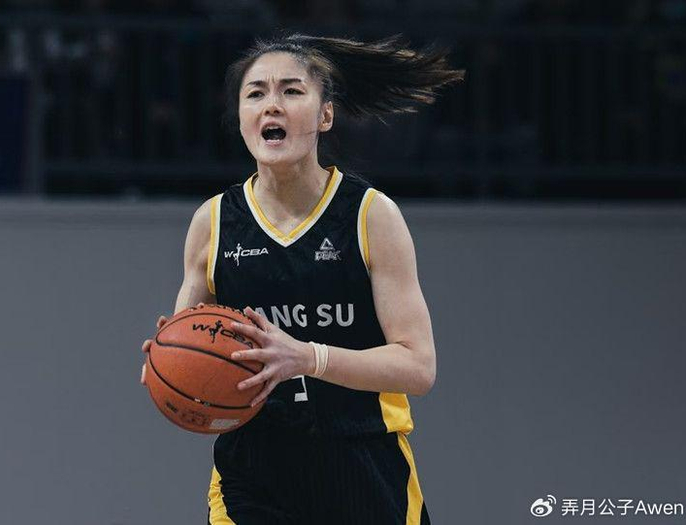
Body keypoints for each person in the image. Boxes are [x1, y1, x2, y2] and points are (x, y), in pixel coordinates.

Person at [141, 32, 464, 524]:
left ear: (325, 115)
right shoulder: (214, 221)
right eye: (256, 94)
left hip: (362, 462)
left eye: (291, 91)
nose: (272, 105)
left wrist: (308, 357)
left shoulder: (370, 215)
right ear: (242, 119)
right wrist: (169, 360)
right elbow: (189, 340)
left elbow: (418, 368)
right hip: (253, 475)